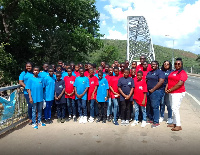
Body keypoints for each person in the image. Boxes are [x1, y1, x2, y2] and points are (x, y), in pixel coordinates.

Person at [166, 58, 188, 131]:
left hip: (178, 92)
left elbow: (180, 83)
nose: (177, 65)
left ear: (181, 64)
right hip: (171, 92)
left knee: (175, 108)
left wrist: (170, 89)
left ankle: (178, 125)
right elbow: (169, 80)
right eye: (175, 64)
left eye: (179, 64)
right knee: (173, 107)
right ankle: (175, 123)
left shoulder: (182, 73)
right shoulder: (173, 72)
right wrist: (167, 88)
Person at [146, 61, 165, 128]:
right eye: (152, 64)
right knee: (150, 106)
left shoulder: (160, 72)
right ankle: (151, 118)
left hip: (156, 91)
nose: (153, 65)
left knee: (155, 106)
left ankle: (156, 122)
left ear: (157, 65)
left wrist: (153, 89)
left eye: (154, 64)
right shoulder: (150, 72)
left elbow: (161, 81)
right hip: (149, 91)